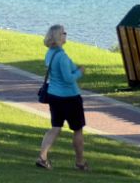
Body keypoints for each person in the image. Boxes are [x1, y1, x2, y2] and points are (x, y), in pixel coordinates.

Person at [36, 24, 88, 171]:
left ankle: (42, 157)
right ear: (59, 37)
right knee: (77, 130)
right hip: (70, 98)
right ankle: (80, 162)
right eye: (63, 33)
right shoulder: (62, 57)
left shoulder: (50, 53)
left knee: (55, 127)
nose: (66, 34)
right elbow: (68, 78)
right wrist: (80, 72)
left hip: (54, 96)